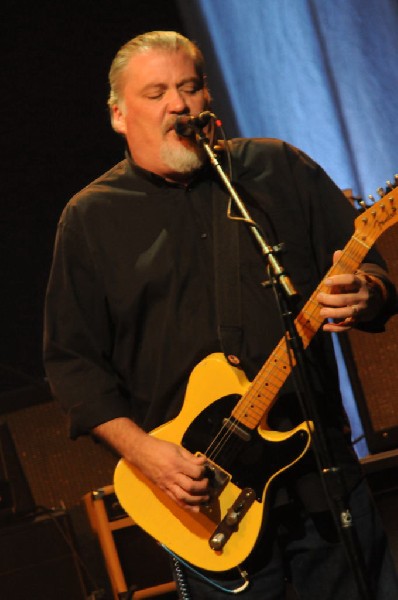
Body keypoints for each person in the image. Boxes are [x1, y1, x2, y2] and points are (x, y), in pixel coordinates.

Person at [43, 30, 398, 599]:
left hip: (319, 476)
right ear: (117, 114)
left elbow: (374, 276)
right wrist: (147, 455)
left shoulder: (276, 169)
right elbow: (73, 368)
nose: (177, 105)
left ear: (208, 98)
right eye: (156, 92)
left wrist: (369, 293)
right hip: (201, 496)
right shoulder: (89, 220)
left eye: (189, 87)